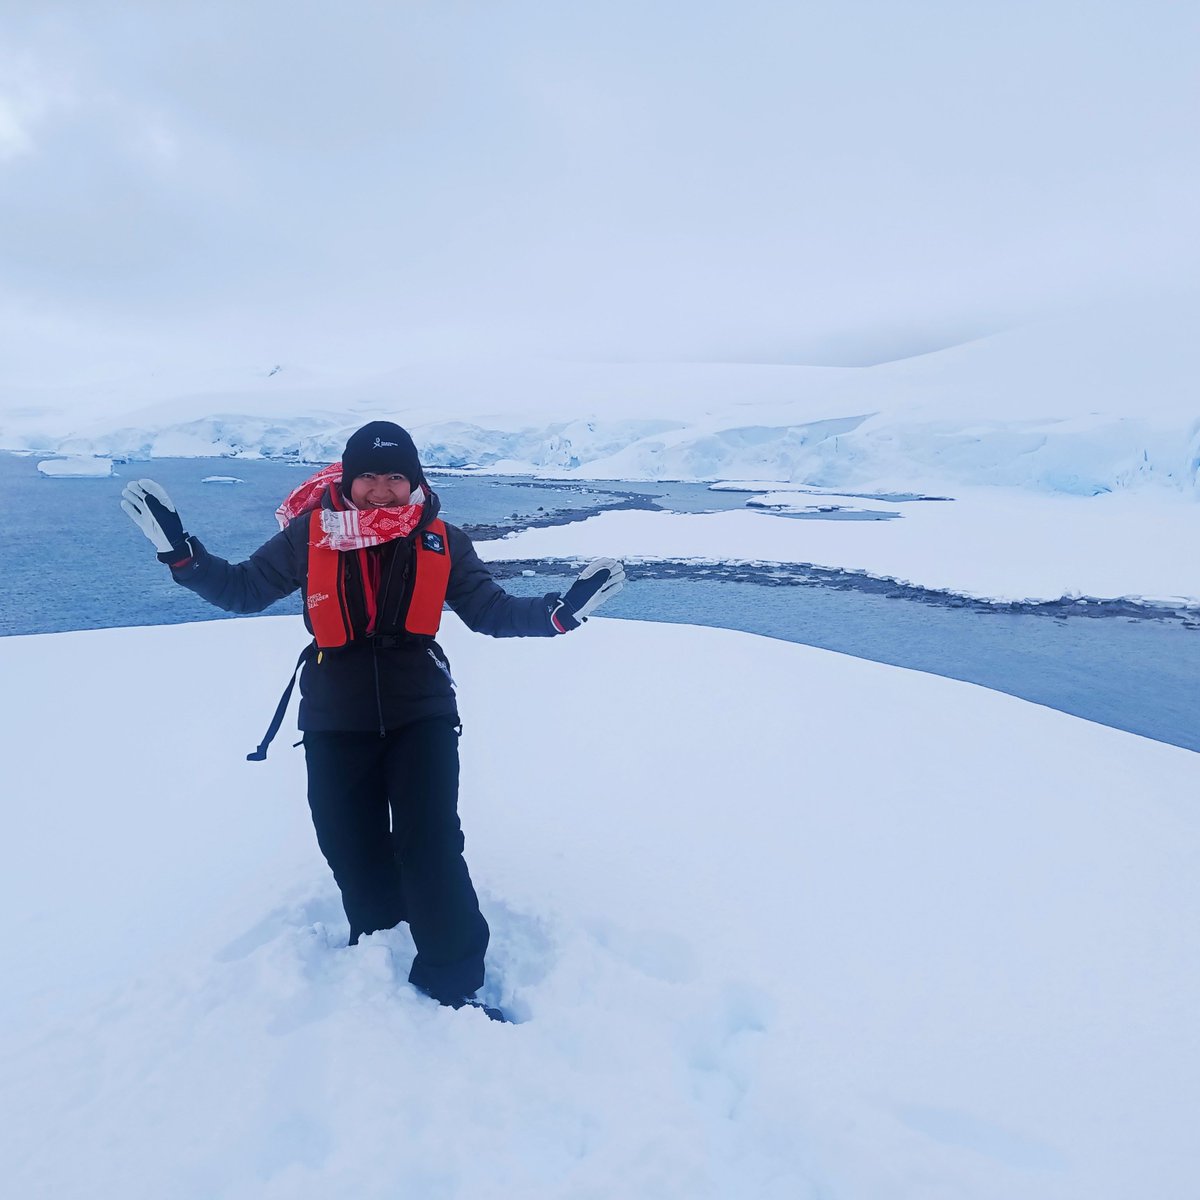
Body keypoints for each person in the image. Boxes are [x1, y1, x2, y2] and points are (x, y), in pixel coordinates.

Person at [121, 420, 624, 1019]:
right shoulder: (310, 534)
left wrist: (558, 614)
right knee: (350, 846)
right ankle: (381, 946)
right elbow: (245, 590)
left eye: (394, 477)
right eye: (368, 476)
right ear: (348, 478)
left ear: (414, 481)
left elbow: (490, 609)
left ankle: (453, 980)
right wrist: (183, 556)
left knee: (431, 846)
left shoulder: (443, 539)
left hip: (422, 712)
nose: (381, 490)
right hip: (335, 714)